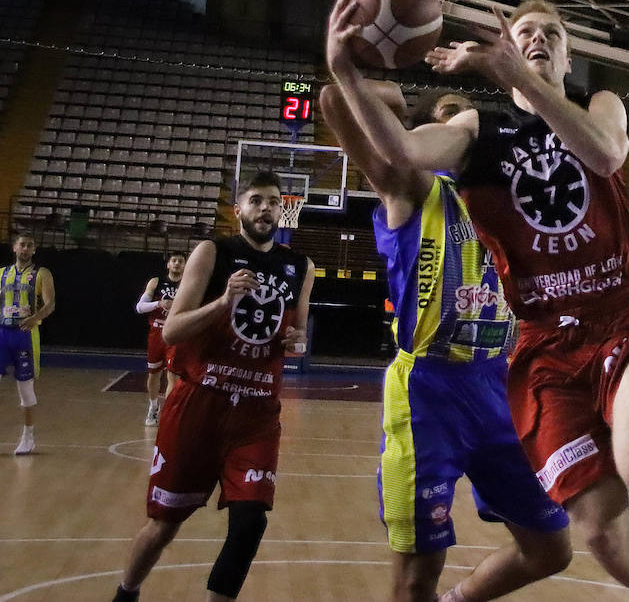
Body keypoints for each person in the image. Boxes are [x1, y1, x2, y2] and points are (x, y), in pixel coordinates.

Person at [328, 0, 629, 602]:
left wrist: (520, 80)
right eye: (524, 31)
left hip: (612, 314)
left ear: (569, 57)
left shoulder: (598, 104)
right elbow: (398, 151)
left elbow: (606, 155)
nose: (537, 40)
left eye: (551, 34)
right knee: (595, 529)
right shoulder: (479, 133)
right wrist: (344, 68)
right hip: (536, 343)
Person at [319, 58, 573, 602]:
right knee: (416, 579)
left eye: (469, 121)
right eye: (447, 121)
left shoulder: (512, 200)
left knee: (551, 549)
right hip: (429, 390)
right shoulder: (409, 187)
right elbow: (334, 100)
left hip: (502, 384)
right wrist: (398, 100)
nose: (462, 130)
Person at [111, 172, 314, 602]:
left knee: (250, 522)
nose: (266, 208)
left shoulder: (299, 266)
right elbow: (172, 332)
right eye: (256, 200)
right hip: (199, 404)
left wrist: (296, 341)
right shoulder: (214, 251)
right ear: (236, 209)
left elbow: (296, 336)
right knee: (165, 524)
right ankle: (126, 592)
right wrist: (223, 302)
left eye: (274, 202)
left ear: (285, 209)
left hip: (256, 413)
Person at [0, 230, 55, 455]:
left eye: (30, 245)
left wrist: (35, 317)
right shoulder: (2, 273)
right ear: (14, 247)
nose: (25, 249)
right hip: (2, 333)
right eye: (22, 244)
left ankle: (28, 436)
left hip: (25, 335)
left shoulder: (42, 273)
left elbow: (50, 304)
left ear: (34, 250)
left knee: (25, 388)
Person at [135, 253, 185, 426]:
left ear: (185, 266)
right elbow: (140, 307)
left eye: (180, 261)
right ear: (168, 265)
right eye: (174, 261)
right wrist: (159, 304)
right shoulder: (156, 282)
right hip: (157, 332)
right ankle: (153, 407)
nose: (177, 264)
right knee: (154, 374)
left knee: (173, 375)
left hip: (176, 333)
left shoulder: (189, 284)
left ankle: (169, 412)